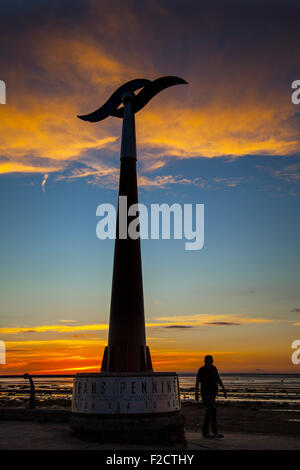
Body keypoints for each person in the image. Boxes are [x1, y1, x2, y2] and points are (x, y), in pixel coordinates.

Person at [195, 355, 227, 439]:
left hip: (213, 394)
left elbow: (218, 379)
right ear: (205, 362)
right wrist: (196, 394)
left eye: (211, 361)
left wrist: (223, 389)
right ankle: (206, 433)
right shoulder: (201, 370)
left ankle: (213, 432)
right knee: (210, 410)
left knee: (212, 412)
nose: (210, 363)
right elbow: (197, 382)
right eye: (208, 361)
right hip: (205, 394)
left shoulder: (214, 368)